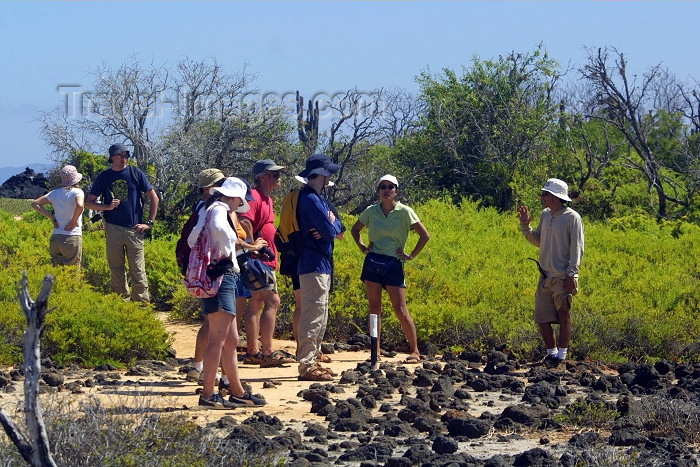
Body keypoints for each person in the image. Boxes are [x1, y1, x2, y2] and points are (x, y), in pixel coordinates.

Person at [187, 177, 266, 408]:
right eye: (239, 200)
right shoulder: (219, 209)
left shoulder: (207, 210)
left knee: (230, 339)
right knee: (218, 339)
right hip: (222, 277)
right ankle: (208, 394)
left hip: (218, 277)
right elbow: (220, 229)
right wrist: (230, 244)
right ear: (233, 197)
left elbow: (193, 239)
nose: (239, 204)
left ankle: (238, 391)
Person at [350, 175, 430, 364]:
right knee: (374, 307)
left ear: (396, 190)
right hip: (373, 262)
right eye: (382, 187)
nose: (386, 190)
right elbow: (355, 230)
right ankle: (375, 350)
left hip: (394, 263)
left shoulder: (405, 212)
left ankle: (415, 351)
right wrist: (363, 248)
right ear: (378, 191)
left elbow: (424, 235)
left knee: (400, 309)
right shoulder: (371, 211)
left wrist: (411, 255)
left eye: (390, 187)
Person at [518, 178, 584, 369]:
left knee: (564, 314)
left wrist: (572, 275)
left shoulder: (573, 218)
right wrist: (525, 226)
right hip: (545, 275)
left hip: (563, 275)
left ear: (555, 197)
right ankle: (551, 354)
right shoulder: (546, 214)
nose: (543, 197)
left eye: (546, 194)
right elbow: (538, 240)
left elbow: (577, 249)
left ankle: (561, 357)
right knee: (542, 317)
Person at [239, 159, 295, 368]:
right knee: (273, 301)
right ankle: (267, 352)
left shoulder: (268, 199)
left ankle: (253, 350)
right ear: (262, 176)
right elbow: (245, 220)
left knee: (256, 301)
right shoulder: (254, 197)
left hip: (264, 259)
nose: (278, 177)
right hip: (257, 259)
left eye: (279, 174)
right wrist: (255, 246)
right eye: (274, 174)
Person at [85, 143, 159, 303]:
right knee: (116, 268)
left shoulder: (135, 173)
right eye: (119, 155)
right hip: (113, 228)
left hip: (135, 229)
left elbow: (154, 198)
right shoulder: (104, 177)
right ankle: (121, 304)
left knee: (138, 269)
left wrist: (149, 223)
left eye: (125, 155)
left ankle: (142, 305)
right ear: (112, 157)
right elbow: (89, 203)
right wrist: (107, 207)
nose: (123, 158)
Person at [295, 154, 343, 381]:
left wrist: (331, 222)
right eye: (329, 173)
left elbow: (337, 227)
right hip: (313, 262)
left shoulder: (318, 198)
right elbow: (331, 231)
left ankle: (313, 360)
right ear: (322, 175)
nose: (331, 177)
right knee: (313, 313)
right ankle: (306, 365)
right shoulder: (311, 200)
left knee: (320, 314)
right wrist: (330, 223)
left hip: (320, 263)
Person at [31, 165, 85, 266]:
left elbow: (35, 204)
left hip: (56, 237)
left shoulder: (54, 193)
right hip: (72, 236)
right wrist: (74, 221)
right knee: (72, 273)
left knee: (57, 272)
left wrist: (52, 217)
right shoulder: (78, 192)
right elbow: (80, 205)